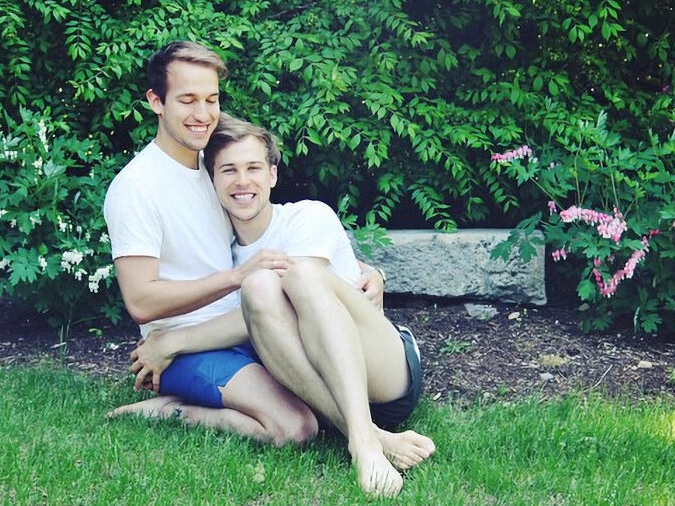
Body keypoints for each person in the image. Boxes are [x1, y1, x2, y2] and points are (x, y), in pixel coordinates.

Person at [103, 42, 433, 496]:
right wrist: (223, 292)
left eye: (212, 99)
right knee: (294, 426)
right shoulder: (136, 188)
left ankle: (365, 438)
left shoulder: (207, 166)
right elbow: (140, 301)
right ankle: (174, 409)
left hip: (256, 341)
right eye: (187, 100)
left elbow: (280, 244)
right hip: (186, 350)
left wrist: (363, 268)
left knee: (286, 282)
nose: (202, 113)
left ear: (272, 173)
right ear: (155, 101)